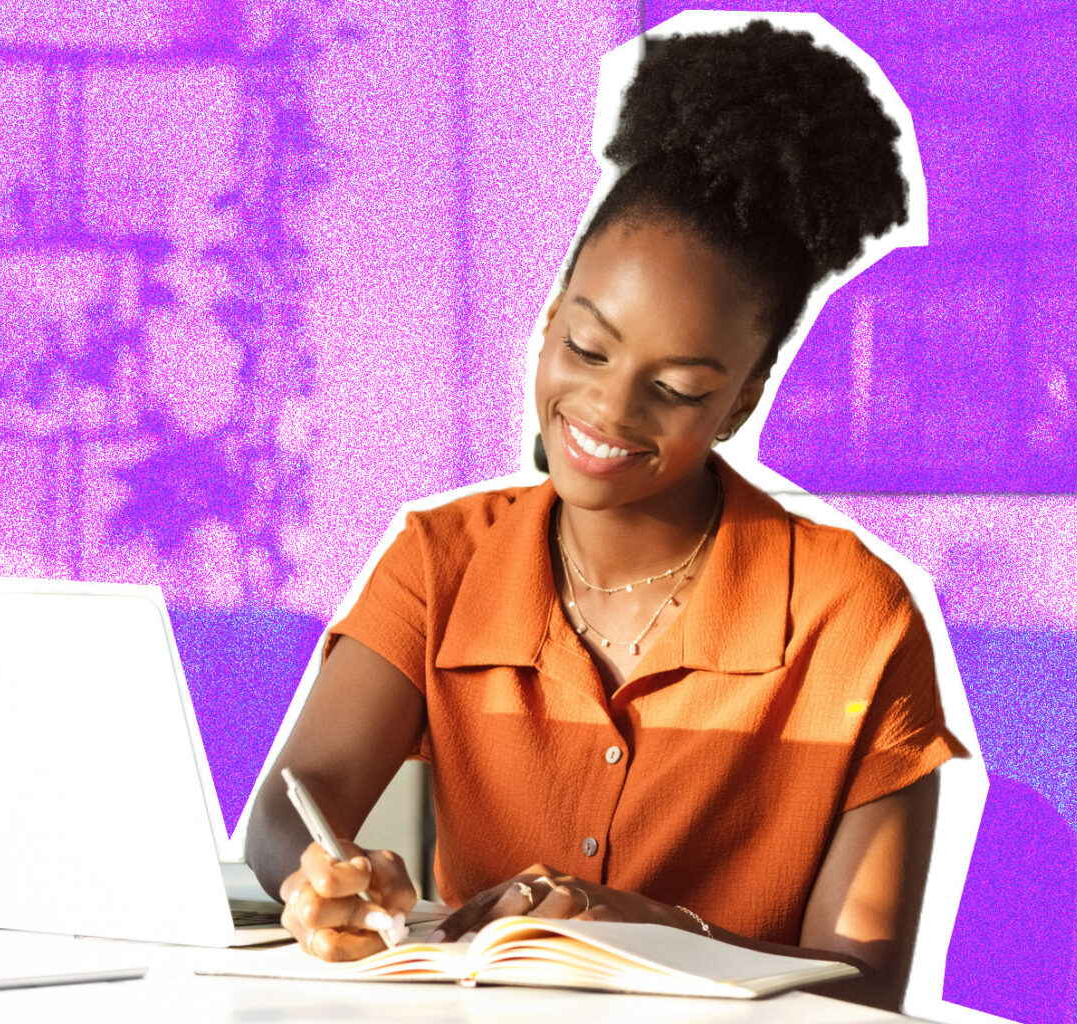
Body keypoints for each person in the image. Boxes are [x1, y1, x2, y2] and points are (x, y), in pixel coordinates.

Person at [246, 18, 964, 1011]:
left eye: (675, 387)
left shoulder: (854, 616)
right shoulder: (440, 558)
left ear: (742, 401)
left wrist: (646, 924)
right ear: (550, 322)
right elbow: (292, 809)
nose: (610, 412)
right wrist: (329, 873)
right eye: (586, 349)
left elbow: (861, 982)